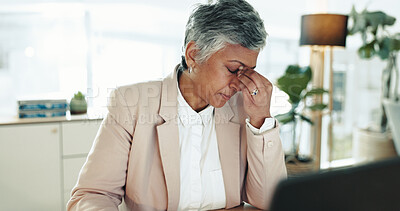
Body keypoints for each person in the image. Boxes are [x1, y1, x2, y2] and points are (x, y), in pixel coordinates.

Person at [67, 0, 287, 210]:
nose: (239, 83)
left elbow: (271, 201)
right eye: (232, 69)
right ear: (193, 55)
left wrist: (261, 120)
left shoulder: (245, 110)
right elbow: (93, 195)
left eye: (248, 72)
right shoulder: (131, 104)